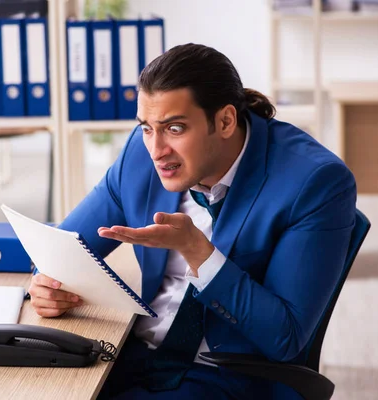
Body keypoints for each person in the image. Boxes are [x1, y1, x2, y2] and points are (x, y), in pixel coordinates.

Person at [28, 43, 356, 399]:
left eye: (175, 128)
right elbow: (62, 248)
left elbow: (286, 337)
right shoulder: (142, 154)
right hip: (132, 354)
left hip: (228, 375)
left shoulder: (314, 182)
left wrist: (197, 251)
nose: (156, 150)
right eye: (147, 128)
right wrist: (46, 286)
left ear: (225, 121)